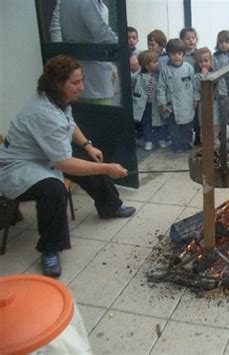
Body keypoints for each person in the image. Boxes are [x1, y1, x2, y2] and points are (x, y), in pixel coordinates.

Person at [0, 55, 136, 278]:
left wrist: (87, 145)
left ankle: (110, 206)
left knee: (91, 160)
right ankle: (50, 249)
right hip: (18, 167)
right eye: (75, 82)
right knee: (54, 189)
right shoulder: (43, 112)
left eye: (81, 80)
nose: (81, 87)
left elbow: (69, 125)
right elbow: (64, 163)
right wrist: (109, 169)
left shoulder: (58, 101)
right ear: (57, 84)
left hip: (44, 156)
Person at [55, 0, 118, 105]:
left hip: (78, 71)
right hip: (95, 75)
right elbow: (101, 33)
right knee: (102, 116)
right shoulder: (88, 2)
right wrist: (123, 46)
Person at [157, 39, 196, 153]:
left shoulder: (189, 68)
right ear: (168, 54)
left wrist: (195, 99)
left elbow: (194, 85)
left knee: (187, 127)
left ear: (183, 54)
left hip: (187, 103)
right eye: (173, 54)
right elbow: (161, 87)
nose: (177, 56)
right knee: (174, 128)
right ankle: (177, 146)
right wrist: (162, 103)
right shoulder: (165, 69)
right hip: (172, 106)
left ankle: (187, 143)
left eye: (179, 54)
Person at [193, 47, 228, 142]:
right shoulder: (196, 76)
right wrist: (203, 76)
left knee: (215, 122)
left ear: (211, 61)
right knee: (203, 123)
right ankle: (205, 143)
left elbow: (222, 87)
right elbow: (197, 87)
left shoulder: (216, 73)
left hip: (215, 102)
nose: (203, 64)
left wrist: (223, 98)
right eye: (200, 62)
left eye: (206, 61)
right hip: (203, 103)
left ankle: (214, 140)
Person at [133, 50, 161, 151]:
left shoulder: (159, 76)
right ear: (146, 65)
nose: (158, 63)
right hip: (144, 104)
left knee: (158, 121)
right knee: (146, 122)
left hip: (156, 103)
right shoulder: (139, 77)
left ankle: (159, 138)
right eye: (154, 62)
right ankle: (148, 140)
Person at [214, 30, 229, 141]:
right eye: (221, 42)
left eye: (226, 42)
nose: (223, 44)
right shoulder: (214, 57)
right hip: (217, 89)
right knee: (220, 113)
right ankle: (221, 134)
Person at [180, 27, 200, 145]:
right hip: (183, 90)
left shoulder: (199, 54)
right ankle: (186, 139)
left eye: (193, 38)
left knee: (197, 116)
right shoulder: (180, 55)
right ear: (182, 40)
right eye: (187, 38)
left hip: (196, 89)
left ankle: (198, 137)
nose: (191, 41)